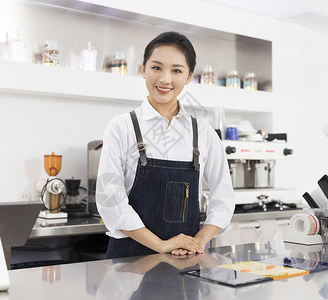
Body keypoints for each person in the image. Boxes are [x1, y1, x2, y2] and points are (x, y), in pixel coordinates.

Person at [96, 31, 235, 259]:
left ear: (189, 76)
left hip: (187, 257)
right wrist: (162, 245)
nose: (165, 79)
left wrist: (197, 242)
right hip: (129, 260)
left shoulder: (204, 133)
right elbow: (110, 200)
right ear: (143, 70)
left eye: (177, 70)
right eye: (157, 68)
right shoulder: (121, 126)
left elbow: (224, 197)